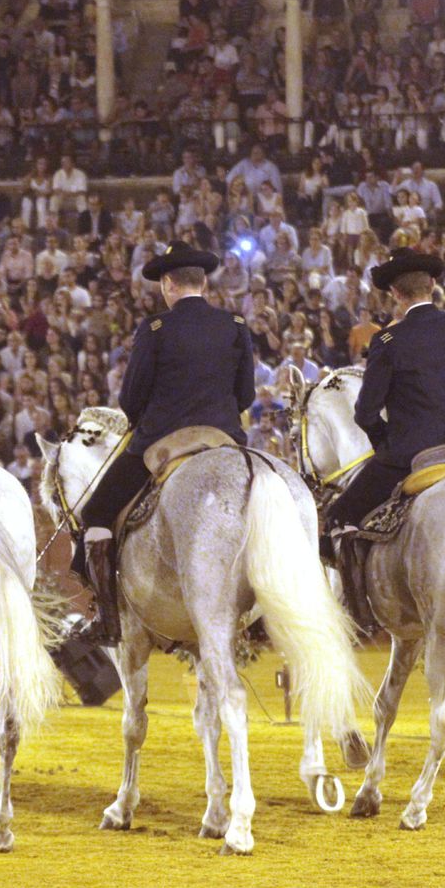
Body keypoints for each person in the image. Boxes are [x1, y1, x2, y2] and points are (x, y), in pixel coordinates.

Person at [73, 241, 256, 645]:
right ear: (203, 283)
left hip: (162, 440)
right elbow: (246, 394)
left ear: (169, 284)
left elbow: (131, 398)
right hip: (224, 439)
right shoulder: (235, 324)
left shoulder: (154, 328)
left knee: (97, 512)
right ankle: (259, 614)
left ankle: (107, 618)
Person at [324, 250, 445, 624]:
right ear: (432, 285)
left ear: (395, 294)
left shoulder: (388, 340)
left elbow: (365, 412)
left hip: (410, 454)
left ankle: (360, 614)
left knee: (337, 517)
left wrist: (386, 443)